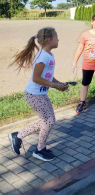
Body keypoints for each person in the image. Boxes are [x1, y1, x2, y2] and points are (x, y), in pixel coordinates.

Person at [9, 27, 69, 161]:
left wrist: (60, 84)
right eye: (56, 37)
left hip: (40, 94)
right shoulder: (43, 57)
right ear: (49, 40)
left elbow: (48, 76)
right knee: (48, 120)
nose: (58, 39)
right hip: (33, 95)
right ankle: (39, 149)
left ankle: (18, 137)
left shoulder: (49, 55)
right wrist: (54, 85)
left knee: (49, 120)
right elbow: (36, 78)